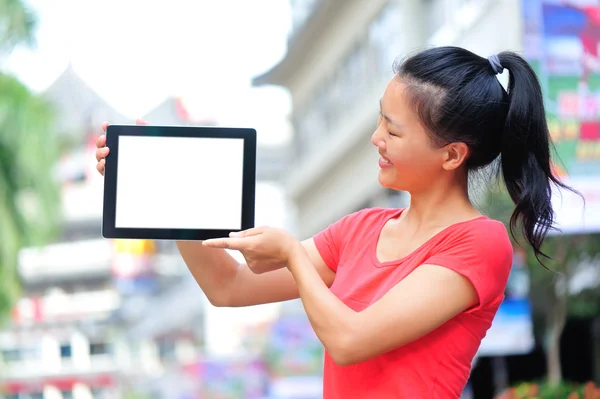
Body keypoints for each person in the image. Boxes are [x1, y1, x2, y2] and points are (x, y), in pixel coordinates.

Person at [95, 46, 571, 398]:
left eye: (393, 129)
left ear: (451, 155)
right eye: (380, 120)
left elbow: (349, 339)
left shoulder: (479, 242)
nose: (375, 138)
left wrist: (291, 256)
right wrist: (163, 193)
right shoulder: (359, 230)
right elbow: (229, 289)